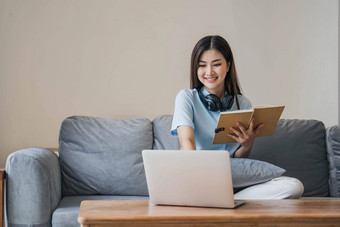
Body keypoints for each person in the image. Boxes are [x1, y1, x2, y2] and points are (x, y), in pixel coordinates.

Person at [171, 35, 304, 199]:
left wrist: (247, 145)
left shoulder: (243, 103)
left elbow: (238, 159)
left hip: (232, 178)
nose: (209, 72)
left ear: (228, 66)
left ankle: (227, 200)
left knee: (294, 186)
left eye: (217, 64)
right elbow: (187, 143)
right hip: (198, 175)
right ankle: (217, 198)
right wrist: (198, 178)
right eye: (202, 65)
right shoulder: (186, 98)